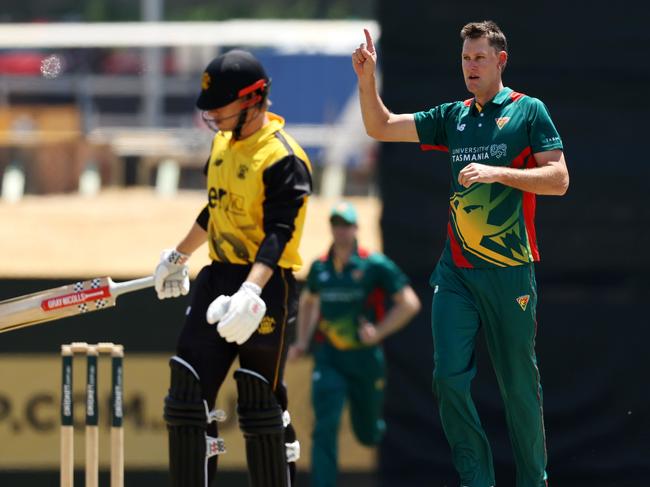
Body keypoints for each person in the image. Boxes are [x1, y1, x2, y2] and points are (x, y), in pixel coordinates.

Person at [352, 21, 569, 487]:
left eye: (479, 58)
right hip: (457, 273)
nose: (470, 67)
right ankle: (478, 481)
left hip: (511, 273)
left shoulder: (529, 111)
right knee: (449, 378)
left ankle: (534, 481)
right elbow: (380, 126)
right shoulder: (454, 115)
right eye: (466, 59)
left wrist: (499, 173)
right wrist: (367, 80)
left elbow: (559, 179)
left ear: (500, 61)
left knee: (518, 390)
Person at [153, 49, 313, 487]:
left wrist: (251, 291)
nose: (212, 114)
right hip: (218, 277)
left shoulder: (283, 158)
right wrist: (177, 256)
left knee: (261, 402)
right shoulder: (222, 143)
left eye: (220, 105)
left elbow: (280, 233)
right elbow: (215, 209)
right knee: (186, 396)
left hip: (266, 286)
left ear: (253, 99)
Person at [288, 201, 421, 487]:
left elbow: (409, 303)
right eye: (336, 225)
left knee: (367, 433)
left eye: (346, 225)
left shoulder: (373, 265)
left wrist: (379, 331)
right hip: (329, 357)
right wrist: (301, 341)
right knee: (325, 425)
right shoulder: (320, 267)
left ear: (356, 228)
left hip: (365, 360)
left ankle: (372, 426)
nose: (341, 231)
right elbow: (310, 301)